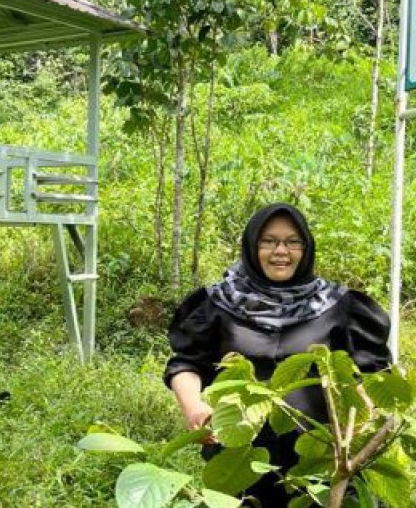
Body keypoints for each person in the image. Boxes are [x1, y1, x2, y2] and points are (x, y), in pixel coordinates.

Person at [163, 203, 392, 507]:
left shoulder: (337, 305)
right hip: (239, 455)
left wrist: (360, 428)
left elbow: (371, 373)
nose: (280, 251)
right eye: (268, 241)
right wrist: (194, 407)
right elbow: (186, 363)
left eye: (292, 241)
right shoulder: (218, 302)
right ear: (252, 245)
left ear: (306, 248)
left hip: (319, 454)